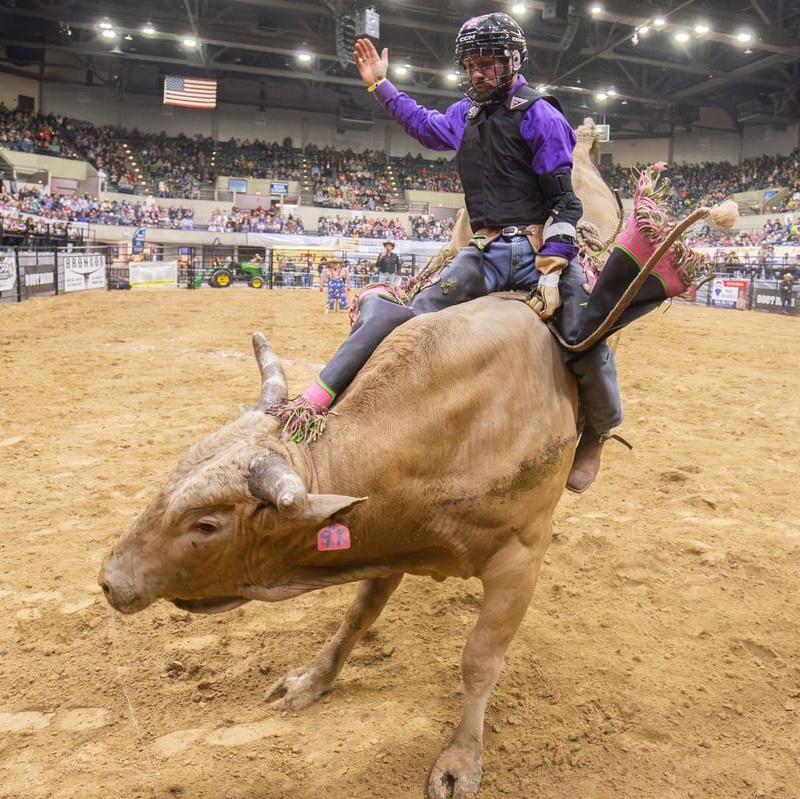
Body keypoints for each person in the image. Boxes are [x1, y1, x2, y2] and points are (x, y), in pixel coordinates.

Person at [271, 12, 718, 492]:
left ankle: (598, 431)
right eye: (472, 65)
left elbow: (564, 202)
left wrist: (551, 270)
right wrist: (381, 87)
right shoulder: (464, 115)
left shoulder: (541, 114)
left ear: (513, 61)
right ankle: (325, 402)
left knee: (584, 339)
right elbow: (425, 127)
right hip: (483, 252)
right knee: (408, 317)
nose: (479, 73)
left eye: (489, 63)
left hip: (536, 251)